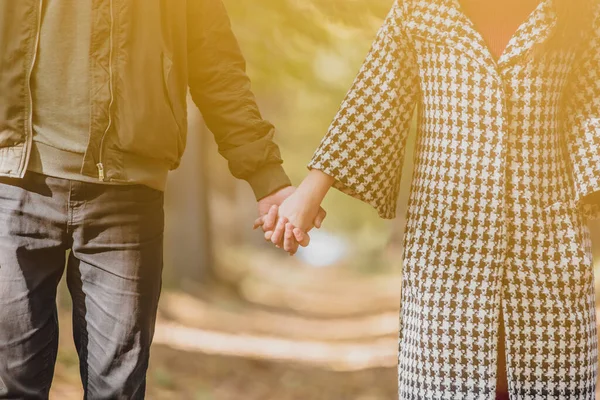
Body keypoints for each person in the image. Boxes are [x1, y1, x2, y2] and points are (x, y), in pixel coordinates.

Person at [258, 0, 600, 398]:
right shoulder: (419, 8)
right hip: (447, 255)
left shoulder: (576, 11)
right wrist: (308, 193)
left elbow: (590, 111)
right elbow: (373, 102)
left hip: (548, 248)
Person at [0, 0, 325, 399]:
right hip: (13, 180)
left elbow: (215, 65)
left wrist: (267, 178)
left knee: (117, 391)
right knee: (9, 384)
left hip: (127, 193)